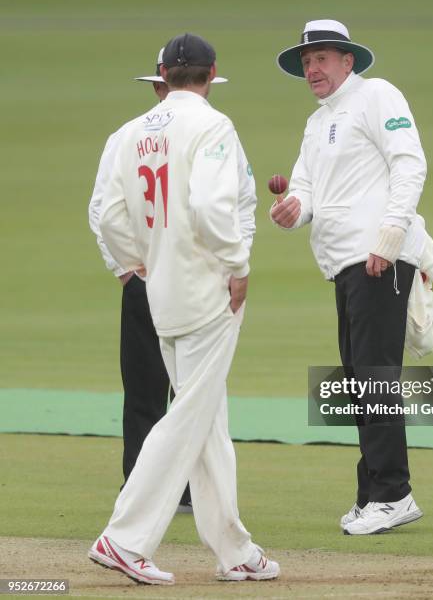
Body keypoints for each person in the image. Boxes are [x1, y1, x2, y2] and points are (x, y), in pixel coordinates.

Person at [88, 32, 279, 584]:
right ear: (212, 72)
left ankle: (234, 549)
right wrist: (237, 266)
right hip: (206, 292)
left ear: (163, 75)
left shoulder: (127, 134)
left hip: (160, 292)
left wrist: (138, 261)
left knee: (206, 420)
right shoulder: (212, 125)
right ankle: (123, 538)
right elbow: (212, 206)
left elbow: (107, 214)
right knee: (191, 414)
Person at [272, 20, 433, 535]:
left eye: (322, 58)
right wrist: (292, 209)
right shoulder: (316, 121)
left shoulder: (378, 95)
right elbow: (306, 191)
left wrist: (390, 237)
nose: (312, 69)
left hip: (378, 258)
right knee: (359, 379)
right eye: (306, 62)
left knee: (375, 377)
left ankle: (394, 494)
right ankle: (372, 492)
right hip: (345, 264)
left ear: (348, 61)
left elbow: (410, 163)